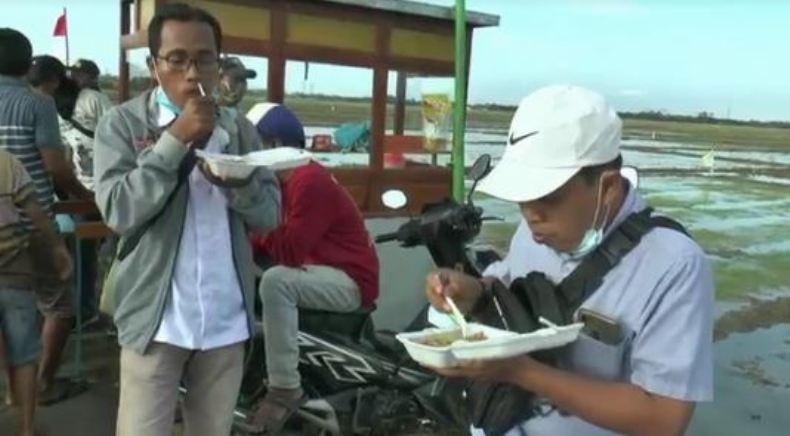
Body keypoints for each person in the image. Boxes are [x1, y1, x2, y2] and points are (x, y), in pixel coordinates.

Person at [424, 85, 714, 435]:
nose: (531, 216)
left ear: (607, 187)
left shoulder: (674, 266)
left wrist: (522, 372)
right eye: (523, 199)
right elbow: (505, 292)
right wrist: (468, 291)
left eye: (546, 197)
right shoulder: (537, 226)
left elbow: (663, 418)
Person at [92, 3, 280, 436]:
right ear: (154, 65)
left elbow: (270, 215)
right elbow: (119, 210)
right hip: (154, 320)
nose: (193, 73)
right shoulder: (122, 125)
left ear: (219, 62)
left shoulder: (239, 130)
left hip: (225, 319)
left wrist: (238, 183)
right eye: (177, 60)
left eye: (205, 58)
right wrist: (175, 140)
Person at [242, 103, 379, 434]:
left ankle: (285, 387)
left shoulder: (307, 180)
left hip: (350, 281)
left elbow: (288, 250)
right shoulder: (282, 181)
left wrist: (251, 228)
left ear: (273, 145)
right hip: (319, 270)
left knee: (276, 282)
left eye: (252, 144)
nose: (245, 153)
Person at [0, 30, 89, 406]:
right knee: (58, 305)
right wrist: (86, 197)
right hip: (30, 222)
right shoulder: (37, 104)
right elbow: (55, 166)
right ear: (26, 63)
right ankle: (41, 385)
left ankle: (10, 390)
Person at [0, 149, 72, 436]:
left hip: (17, 274)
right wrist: (57, 249)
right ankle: (26, 429)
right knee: (25, 355)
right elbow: (35, 212)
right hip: (17, 270)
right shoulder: (6, 162)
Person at [62, 58, 114, 191]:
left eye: (80, 74)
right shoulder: (80, 97)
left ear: (93, 78)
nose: (74, 77)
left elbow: (113, 129)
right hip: (90, 174)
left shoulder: (94, 98)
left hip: (90, 174)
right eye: (73, 73)